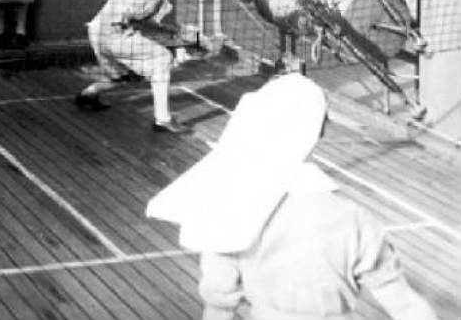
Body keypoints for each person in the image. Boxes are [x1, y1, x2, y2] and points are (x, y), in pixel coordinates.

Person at [146, 73, 438, 320]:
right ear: (317, 132)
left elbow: (219, 305)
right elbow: (405, 304)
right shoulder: (353, 218)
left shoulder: (230, 210)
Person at [75, 0, 243, 133]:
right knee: (162, 59)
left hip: (97, 32)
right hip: (113, 34)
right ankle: (163, 120)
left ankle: (88, 94)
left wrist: (190, 39)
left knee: (125, 76)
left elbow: (153, 27)